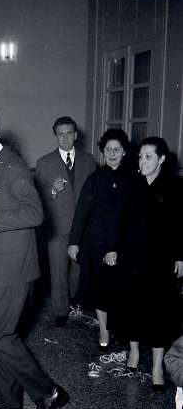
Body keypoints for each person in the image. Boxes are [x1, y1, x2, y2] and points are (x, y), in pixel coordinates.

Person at [0, 106, 68, 409]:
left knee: (0, 336)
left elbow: (35, 213)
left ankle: (48, 392)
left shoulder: (12, 165)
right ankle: (8, 403)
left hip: (12, 268)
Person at [115, 137, 183, 392]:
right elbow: (120, 222)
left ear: (161, 159)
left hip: (160, 261)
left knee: (158, 313)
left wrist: (180, 257)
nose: (142, 161)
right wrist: (115, 249)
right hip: (132, 259)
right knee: (133, 308)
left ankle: (156, 368)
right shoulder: (131, 184)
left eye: (148, 157)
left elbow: (180, 226)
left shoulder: (174, 187)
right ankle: (133, 353)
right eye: (140, 157)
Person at [68, 128, 135, 351]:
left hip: (123, 244)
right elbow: (81, 211)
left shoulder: (133, 179)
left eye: (116, 149)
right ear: (103, 152)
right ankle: (104, 330)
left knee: (119, 288)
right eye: (108, 150)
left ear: (124, 152)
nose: (112, 154)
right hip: (96, 243)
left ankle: (120, 328)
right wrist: (74, 241)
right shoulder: (95, 179)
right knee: (99, 289)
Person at [35, 116, 96, 327]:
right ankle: (60, 310)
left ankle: (76, 303)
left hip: (83, 225)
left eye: (69, 133)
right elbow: (36, 197)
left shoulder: (89, 160)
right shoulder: (44, 163)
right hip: (57, 226)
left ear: (76, 135)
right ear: (56, 136)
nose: (65, 138)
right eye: (61, 134)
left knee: (78, 268)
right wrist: (52, 190)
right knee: (58, 269)